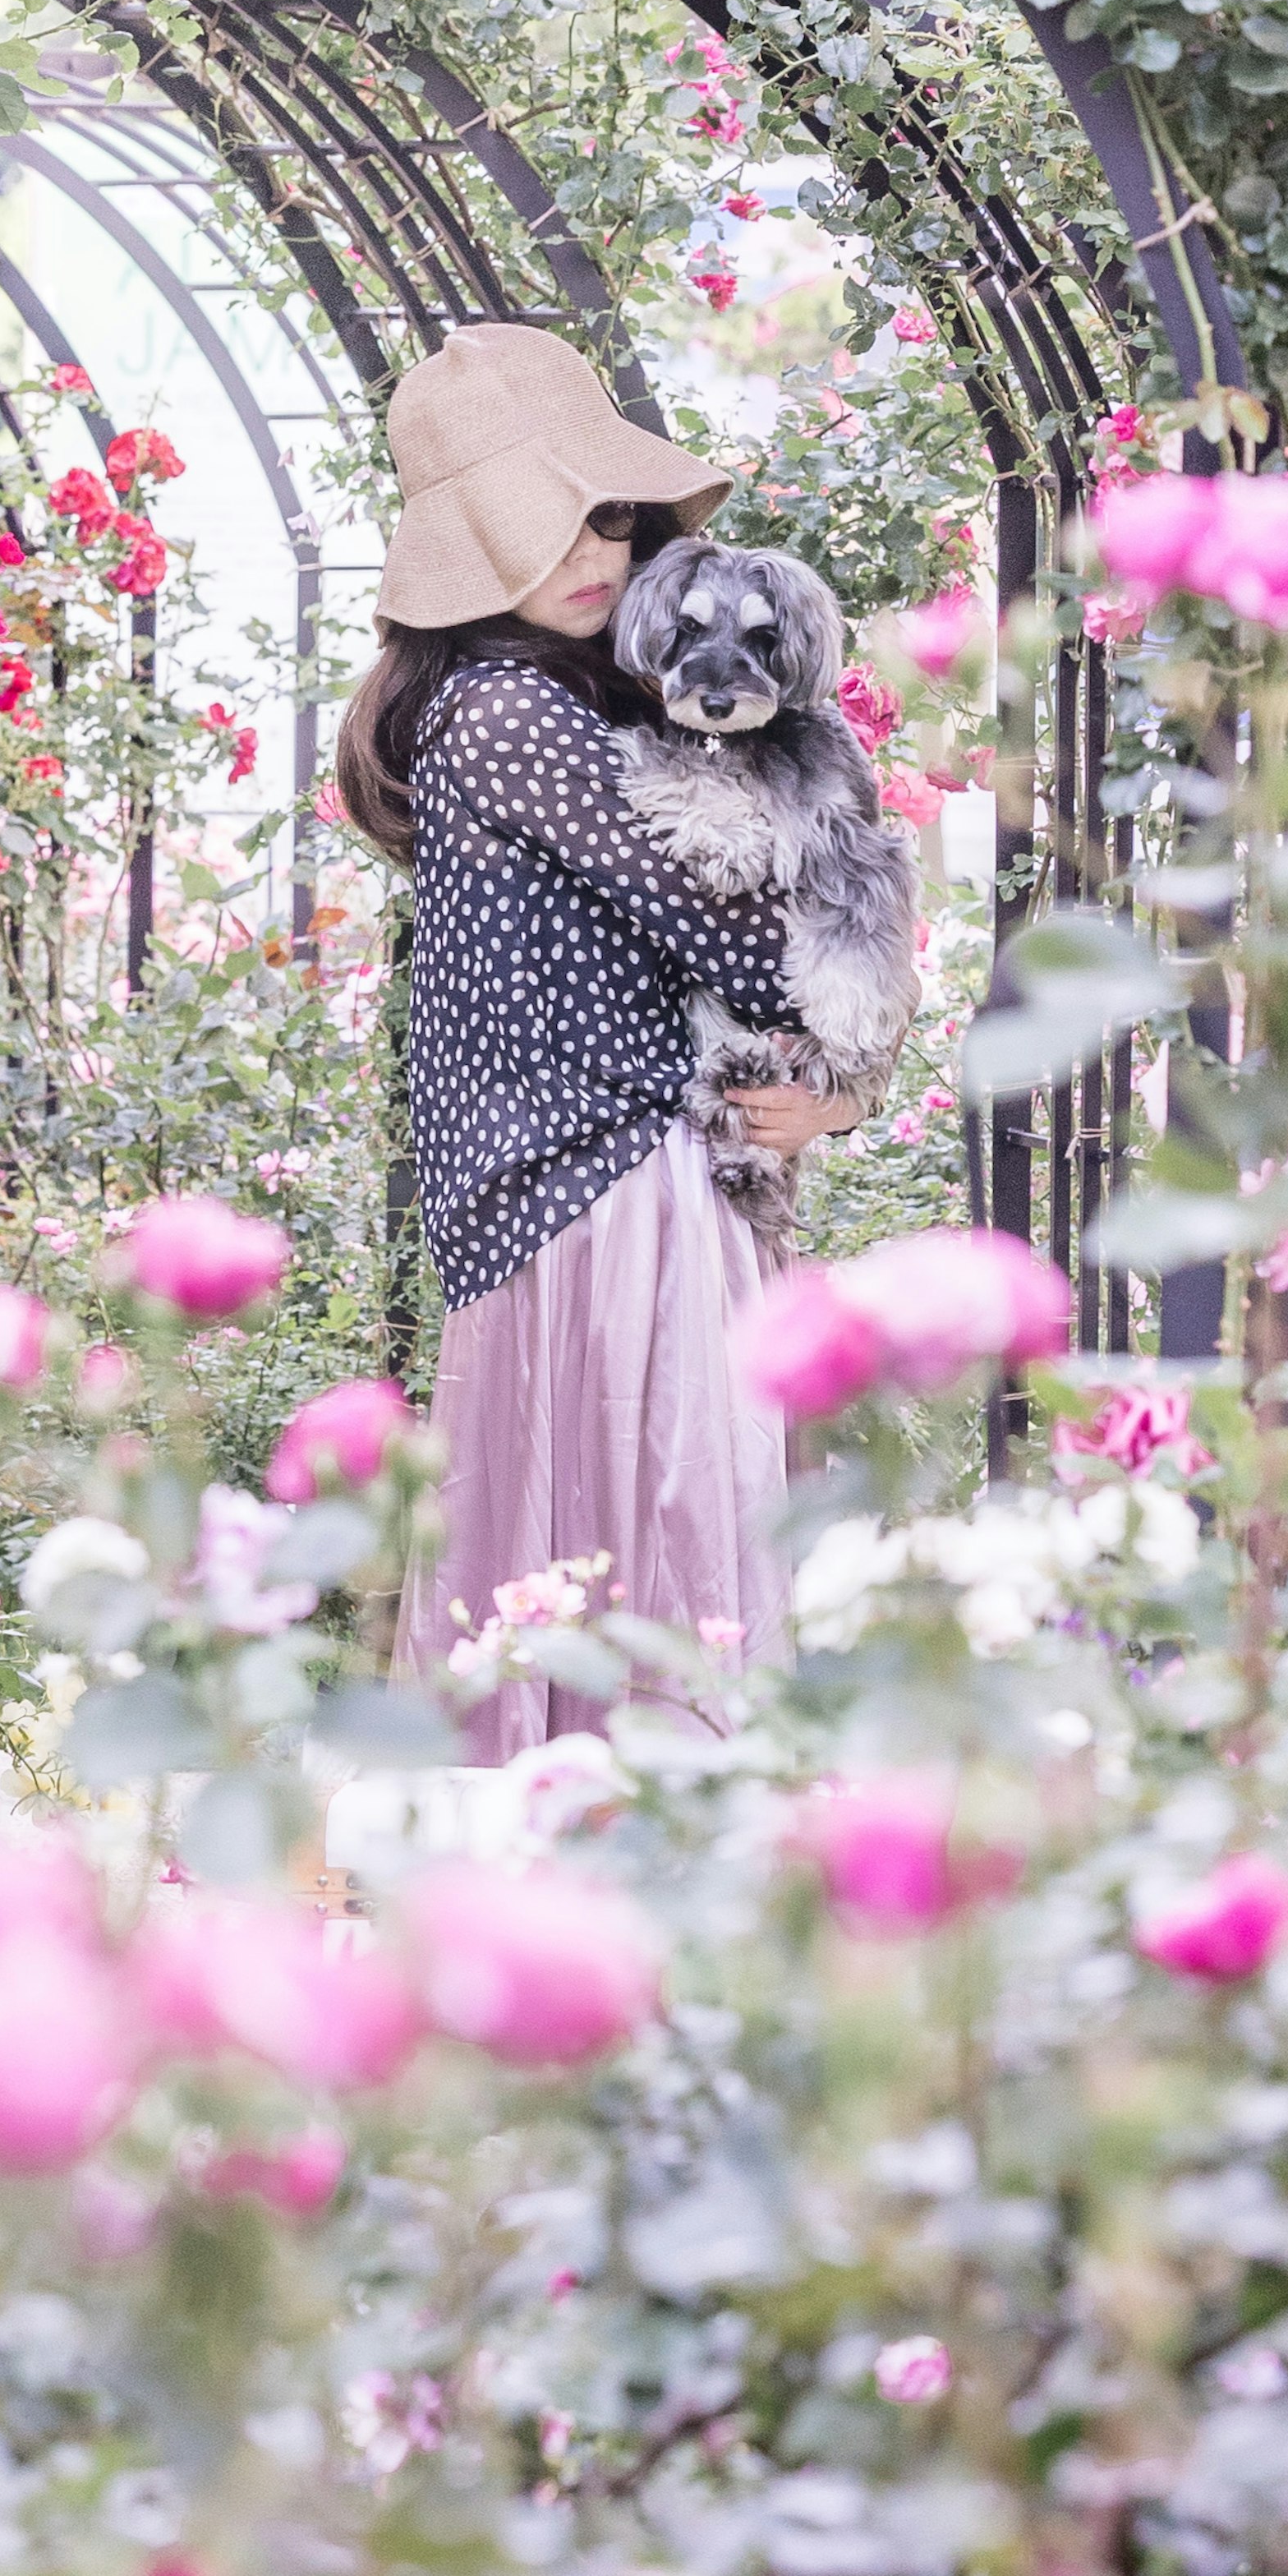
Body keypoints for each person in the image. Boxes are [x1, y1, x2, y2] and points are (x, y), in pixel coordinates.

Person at [334, 321, 866, 1752]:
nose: (597, 556)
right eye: (550, 522)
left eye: (613, 519)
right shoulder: (512, 716)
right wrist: (842, 1076)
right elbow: (745, 940)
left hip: (572, 1198)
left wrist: (824, 1084)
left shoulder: (523, 708)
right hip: (606, 1196)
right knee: (665, 1571)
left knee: (585, 1581)